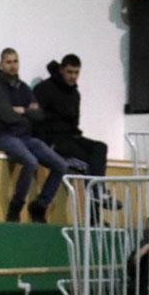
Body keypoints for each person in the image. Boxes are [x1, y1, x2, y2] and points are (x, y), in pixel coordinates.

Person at [0, 48, 68, 223]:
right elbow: (7, 116)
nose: (13, 65)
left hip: (24, 138)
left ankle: (40, 205)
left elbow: (39, 115)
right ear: (1, 65)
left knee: (61, 165)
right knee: (30, 161)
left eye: (15, 61)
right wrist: (27, 113)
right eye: (8, 62)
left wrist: (22, 110)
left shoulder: (23, 88)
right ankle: (15, 206)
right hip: (3, 137)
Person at [33, 54, 109, 192]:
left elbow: (75, 123)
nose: (73, 76)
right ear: (61, 70)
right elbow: (36, 119)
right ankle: (97, 195)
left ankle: (98, 193)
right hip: (52, 139)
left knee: (100, 147)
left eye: (76, 72)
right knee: (88, 162)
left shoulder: (75, 94)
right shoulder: (44, 89)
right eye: (70, 72)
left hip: (70, 137)